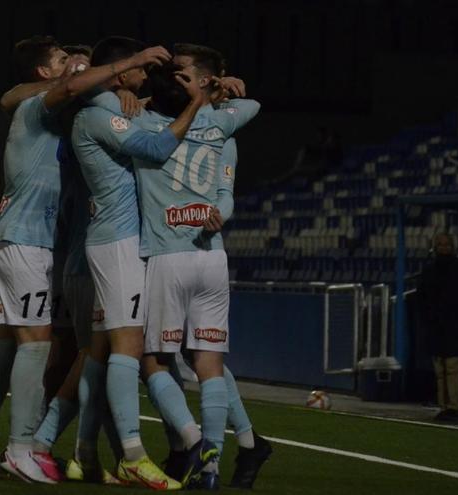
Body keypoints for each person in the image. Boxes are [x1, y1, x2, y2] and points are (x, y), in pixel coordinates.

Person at [0, 35, 172, 482]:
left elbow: (72, 91)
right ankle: (21, 447)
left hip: (24, 240)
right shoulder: (36, 106)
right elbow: (40, 92)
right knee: (38, 342)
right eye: (62, 59)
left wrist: (118, 90)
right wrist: (127, 64)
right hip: (24, 241)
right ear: (44, 73)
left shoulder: (61, 115)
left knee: (8, 341)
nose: (74, 64)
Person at [66, 36, 208, 490]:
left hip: (116, 241)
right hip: (118, 243)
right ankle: (132, 454)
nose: (145, 77)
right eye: (139, 71)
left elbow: (139, 126)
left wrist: (140, 99)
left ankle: (83, 452)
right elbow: (154, 149)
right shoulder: (97, 113)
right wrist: (195, 106)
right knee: (129, 350)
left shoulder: (109, 107)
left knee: (105, 351)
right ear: (120, 71)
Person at [124, 62, 259, 489]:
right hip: (212, 259)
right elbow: (251, 105)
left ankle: (194, 439)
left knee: (154, 360)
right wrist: (217, 92)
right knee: (210, 364)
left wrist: (140, 96)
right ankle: (214, 465)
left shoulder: (145, 127)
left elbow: (115, 111)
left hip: (169, 255)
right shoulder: (220, 125)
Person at [163, 42, 272, 489]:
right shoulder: (171, 116)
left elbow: (225, 192)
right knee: (187, 354)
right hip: (165, 243)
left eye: (183, 71)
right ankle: (243, 444)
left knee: (174, 353)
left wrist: (218, 216)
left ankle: (201, 447)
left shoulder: (221, 131)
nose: (176, 78)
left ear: (207, 78)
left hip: (196, 248)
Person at [418, 233, 458, 421]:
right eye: (440, 244)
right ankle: (444, 406)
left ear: (453, 246)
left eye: (447, 244)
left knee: (452, 368)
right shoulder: (429, 270)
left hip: (455, 327)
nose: (444, 248)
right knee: (440, 370)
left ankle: (453, 407)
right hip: (437, 327)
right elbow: (422, 299)